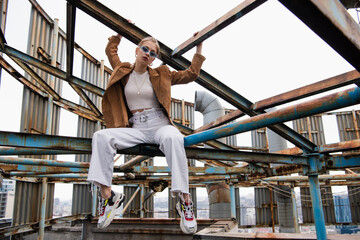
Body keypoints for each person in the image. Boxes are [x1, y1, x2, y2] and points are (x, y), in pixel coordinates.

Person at [87, 31, 205, 234]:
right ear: (136, 50)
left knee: (174, 138)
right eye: (145, 49)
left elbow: (191, 74)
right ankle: (108, 196)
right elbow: (110, 50)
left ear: (154, 58)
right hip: (135, 127)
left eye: (152, 53)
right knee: (101, 136)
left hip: (160, 124)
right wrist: (119, 32)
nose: (148, 54)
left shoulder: (162, 74)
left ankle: (185, 200)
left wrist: (199, 48)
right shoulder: (123, 71)